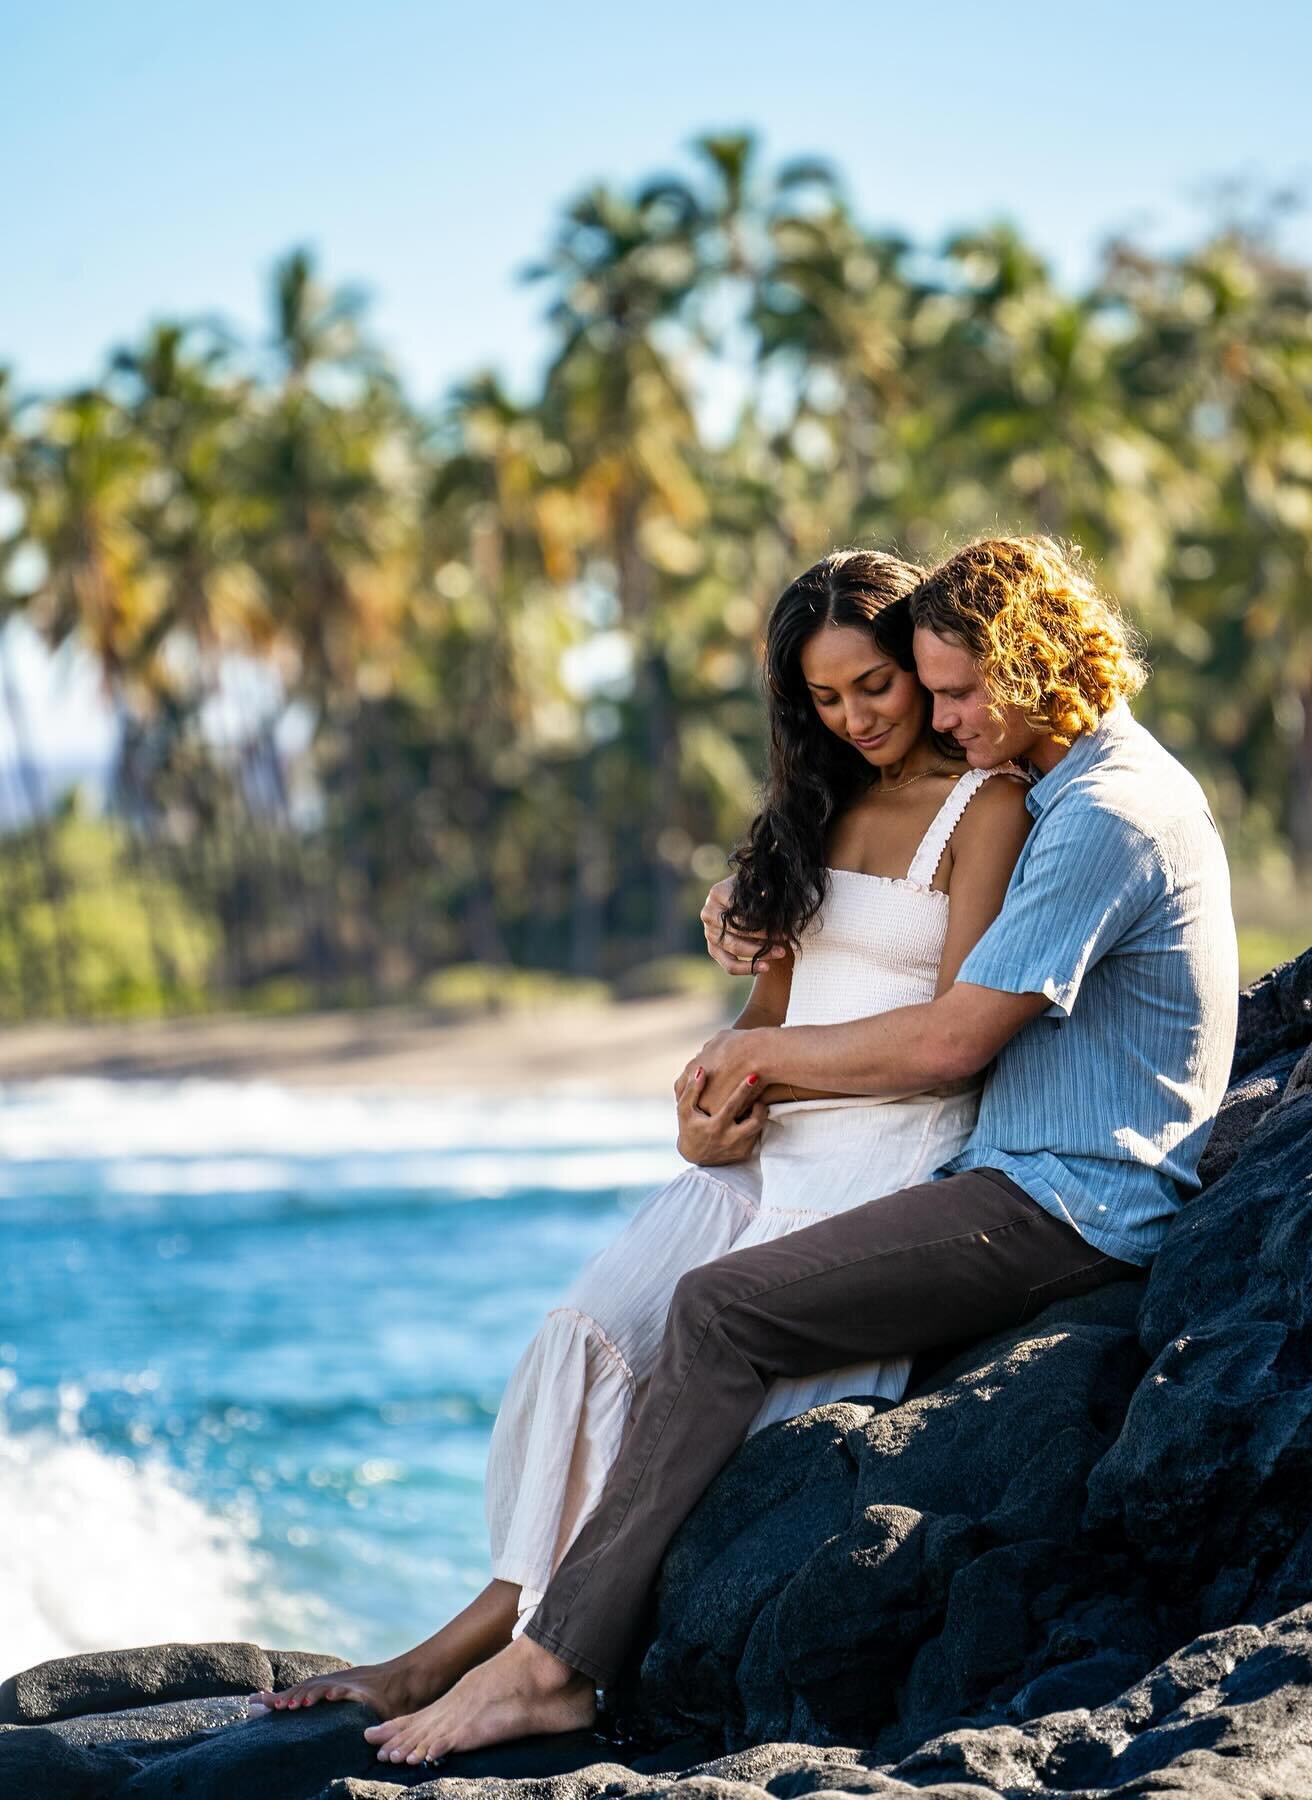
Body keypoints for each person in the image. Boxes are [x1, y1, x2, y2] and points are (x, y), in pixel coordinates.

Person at [348, 533, 1239, 1769]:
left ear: (1042, 664)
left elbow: (950, 1042)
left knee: (718, 1313)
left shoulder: (1100, 810)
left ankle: (553, 1668)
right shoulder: (1077, 784)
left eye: (959, 692)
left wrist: (760, 1062)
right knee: (630, 1322)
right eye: (925, 690)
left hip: (1067, 1198)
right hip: (1017, 1172)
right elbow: (824, 957)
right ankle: (508, 1626)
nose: (938, 717)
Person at [249, 548, 1034, 1749]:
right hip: (765, 1145)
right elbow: (769, 1015)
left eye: (875, 685)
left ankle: (496, 1659)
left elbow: (950, 1036)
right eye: (824, 700)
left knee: (702, 1377)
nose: (859, 718)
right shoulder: (813, 811)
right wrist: (707, 1107)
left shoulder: (989, 809)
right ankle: (484, 1635)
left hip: (889, 1153)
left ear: (922, 658)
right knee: (595, 1333)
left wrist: (764, 1064)